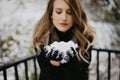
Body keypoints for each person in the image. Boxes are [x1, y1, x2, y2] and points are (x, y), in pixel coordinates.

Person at [32, 0, 95, 80]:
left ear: (75, 15)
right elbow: (45, 74)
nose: (64, 18)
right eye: (58, 12)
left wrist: (70, 61)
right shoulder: (41, 38)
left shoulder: (85, 38)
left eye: (69, 13)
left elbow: (80, 72)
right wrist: (53, 64)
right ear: (51, 14)